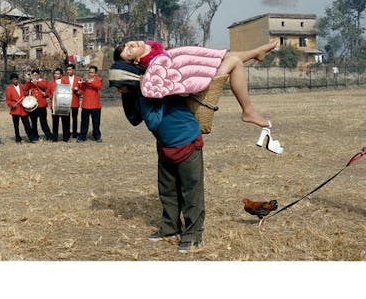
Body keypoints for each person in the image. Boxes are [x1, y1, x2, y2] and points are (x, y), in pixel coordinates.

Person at [109, 60, 205, 253]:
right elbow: (135, 119)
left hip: (186, 140)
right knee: (167, 190)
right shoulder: (136, 92)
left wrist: (146, 91)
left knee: (190, 191)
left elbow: (153, 121)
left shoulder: (159, 88)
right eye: (117, 89)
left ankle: (193, 234)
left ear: (130, 82)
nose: (119, 91)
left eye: (121, 87)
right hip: (165, 145)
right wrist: (129, 96)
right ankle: (170, 228)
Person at [115, 40, 282, 150]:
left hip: (193, 78)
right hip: (197, 85)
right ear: (135, 62)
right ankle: (248, 111)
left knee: (229, 57)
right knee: (234, 61)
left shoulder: (157, 57)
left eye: (128, 44)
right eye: (129, 51)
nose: (130, 44)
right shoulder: (153, 72)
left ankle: (256, 53)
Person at [5, 72, 35, 144]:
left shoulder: (22, 86)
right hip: (15, 110)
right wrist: (12, 104)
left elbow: (27, 90)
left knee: (27, 124)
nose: (15, 81)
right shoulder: (8, 88)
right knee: (16, 126)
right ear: (11, 80)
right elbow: (8, 101)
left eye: (16, 79)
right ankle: (18, 139)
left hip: (22, 109)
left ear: (18, 79)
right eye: (13, 79)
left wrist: (29, 81)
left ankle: (31, 138)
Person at [25, 68, 53, 141]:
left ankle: (49, 136)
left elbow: (44, 86)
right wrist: (29, 81)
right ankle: (35, 136)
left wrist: (36, 83)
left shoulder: (43, 81)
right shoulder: (30, 82)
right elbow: (26, 88)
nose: (35, 76)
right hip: (33, 105)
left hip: (41, 105)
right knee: (34, 122)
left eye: (36, 75)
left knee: (43, 122)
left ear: (39, 75)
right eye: (33, 75)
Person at [77, 65, 103, 143]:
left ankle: (97, 136)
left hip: (95, 105)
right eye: (89, 72)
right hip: (86, 104)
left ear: (95, 73)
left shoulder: (99, 79)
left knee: (96, 122)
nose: (90, 74)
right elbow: (82, 90)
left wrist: (89, 82)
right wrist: (78, 90)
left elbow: (98, 86)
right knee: (84, 122)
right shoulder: (86, 80)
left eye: (92, 72)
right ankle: (82, 136)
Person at [47, 67, 70, 142]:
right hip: (55, 105)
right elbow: (48, 93)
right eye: (55, 73)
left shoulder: (65, 81)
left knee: (65, 122)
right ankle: (55, 138)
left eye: (57, 73)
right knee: (55, 122)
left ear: (61, 75)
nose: (55, 75)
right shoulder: (51, 83)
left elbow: (68, 91)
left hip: (64, 104)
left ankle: (66, 138)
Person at [62, 63, 81, 138]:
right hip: (66, 101)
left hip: (75, 101)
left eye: (70, 70)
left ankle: (75, 133)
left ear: (74, 70)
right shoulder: (64, 79)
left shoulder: (78, 78)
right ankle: (67, 133)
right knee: (66, 118)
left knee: (75, 118)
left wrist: (78, 92)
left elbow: (81, 89)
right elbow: (62, 89)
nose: (68, 71)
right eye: (67, 70)